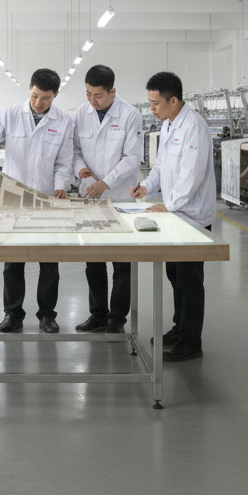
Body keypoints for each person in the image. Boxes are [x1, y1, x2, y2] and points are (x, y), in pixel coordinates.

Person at [0, 68, 74, 334]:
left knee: (49, 262)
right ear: (29, 89)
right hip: (13, 198)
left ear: (56, 95)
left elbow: (63, 162)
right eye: (35, 96)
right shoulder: (11, 114)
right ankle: (12, 314)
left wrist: (60, 186)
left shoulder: (63, 122)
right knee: (13, 260)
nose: (39, 102)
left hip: (45, 197)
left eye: (45, 98)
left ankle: (47, 315)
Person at [130, 71, 217, 362]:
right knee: (175, 276)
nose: (152, 108)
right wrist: (146, 187)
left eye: (155, 103)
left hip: (193, 215)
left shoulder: (194, 127)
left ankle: (191, 342)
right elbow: (160, 167)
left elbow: (192, 175)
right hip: (175, 214)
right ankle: (180, 329)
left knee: (190, 281)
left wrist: (168, 205)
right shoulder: (168, 126)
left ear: (174, 100)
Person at [70, 64, 143, 334]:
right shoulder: (81, 113)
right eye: (88, 94)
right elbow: (74, 150)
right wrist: (81, 170)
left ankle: (117, 319)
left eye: (98, 95)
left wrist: (106, 183)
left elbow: (132, 158)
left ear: (112, 91)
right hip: (90, 195)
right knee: (94, 260)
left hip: (120, 196)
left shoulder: (130, 115)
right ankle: (98, 314)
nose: (92, 101)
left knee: (122, 262)